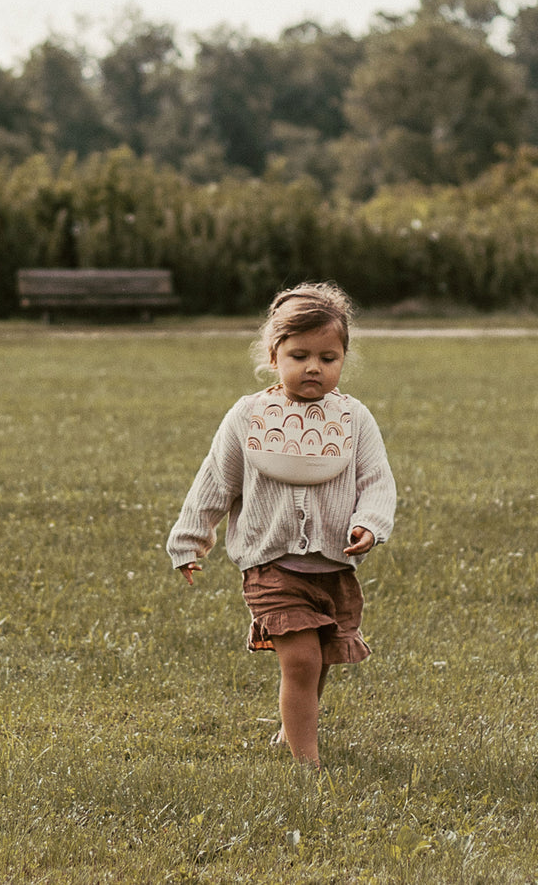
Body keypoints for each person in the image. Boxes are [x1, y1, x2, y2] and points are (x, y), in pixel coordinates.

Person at [167, 282, 396, 768]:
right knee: (302, 659)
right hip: (270, 565)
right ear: (274, 355)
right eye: (299, 355)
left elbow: (377, 480)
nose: (314, 367)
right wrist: (189, 540)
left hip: (334, 567)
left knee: (320, 658)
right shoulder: (248, 417)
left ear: (343, 359)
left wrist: (370, 525)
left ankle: (295, 728)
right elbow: (215, 481)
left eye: (328, 357)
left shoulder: (354, 419)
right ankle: (307, 765)